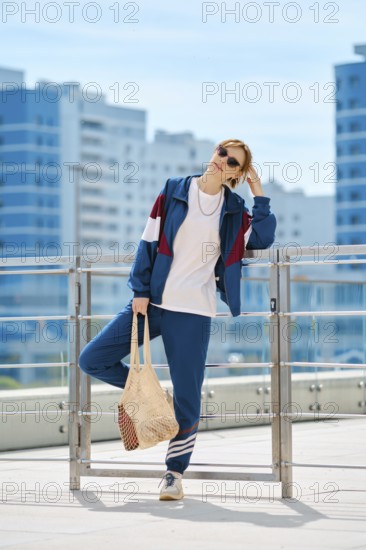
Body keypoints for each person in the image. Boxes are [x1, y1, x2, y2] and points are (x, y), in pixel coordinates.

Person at [78, 138, 277, 501]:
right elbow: (148, 241)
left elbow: (262, 238)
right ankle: (156, 399)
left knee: (188, 395)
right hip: (152, 302)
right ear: (213, 152)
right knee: (92, 358)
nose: (223, 162)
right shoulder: (174, 190)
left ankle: (173, 474)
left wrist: (258, 191)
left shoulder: (233, 208)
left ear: (237, 173)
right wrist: (140, 289)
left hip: (194, 310)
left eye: (234, 163)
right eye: (222, 153)